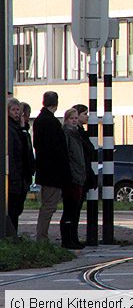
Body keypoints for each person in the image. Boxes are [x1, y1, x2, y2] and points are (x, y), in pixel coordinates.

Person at [32, 91, 71, 242]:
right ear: (56, 103)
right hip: (52, 173)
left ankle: (42, 236)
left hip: (45, 170)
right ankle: (42, 236)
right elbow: (57, 149)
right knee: (49, 206)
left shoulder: (39, 120)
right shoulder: (51, 122)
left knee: (47, 205)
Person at [7, 97, 35, 234]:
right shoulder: (9, 130)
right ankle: (11, 235)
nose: (17, 113)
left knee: (18, 208)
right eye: (13, 110)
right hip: (15, 177)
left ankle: (14, 235)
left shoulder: (21, 129)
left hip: (22, 175)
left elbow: (27, 150)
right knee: (13, 208)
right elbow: (14, 154)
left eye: (18, 110)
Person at [60, 108, 86, 249]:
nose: (75, 120)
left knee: (75, 209)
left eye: (76, 118)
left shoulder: (77, 134)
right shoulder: (67, 134)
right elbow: (68, 155)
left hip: (78, 175)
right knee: (70, 208)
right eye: (72, 118)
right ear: (66, 119)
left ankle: (73, 237)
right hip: (72, 177)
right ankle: (67, 239)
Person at [72, 104, 97, 245]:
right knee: (74, 208)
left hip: (83, 173)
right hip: (79, 174)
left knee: (77, 207)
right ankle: (71, 237)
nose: (87, 116)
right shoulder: (76, 133)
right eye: (85, 114)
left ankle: (73, 237)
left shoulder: (80, 132)